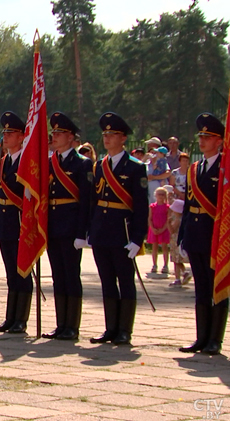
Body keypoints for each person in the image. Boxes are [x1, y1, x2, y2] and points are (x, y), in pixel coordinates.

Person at [89, 112, 149, 346]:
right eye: (105, 134)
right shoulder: (100, 166)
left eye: (112, 134)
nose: (107, 138)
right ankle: (110, 327)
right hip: (102, 231)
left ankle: (125, 329)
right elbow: (94, 202)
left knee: (125, 281)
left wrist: (137, 238)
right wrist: (89, 231)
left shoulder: (135, 168)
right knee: (106, 281)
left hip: (123, 232)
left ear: (123, 138)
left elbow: (141, 207)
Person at [178, 112, 227, 355]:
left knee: (216, 286)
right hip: (196, 234)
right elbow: (188, 204)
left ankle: (214, 340)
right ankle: (201, 337)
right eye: (201, 135)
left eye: (208, 136)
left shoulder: (225, 168)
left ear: (220, 141)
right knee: (200, 289)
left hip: (216, 236)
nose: (202, 140)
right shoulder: (195, 168)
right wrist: (182, 237)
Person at [43, 112, 92, 341]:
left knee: (71, 276)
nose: (55, 136)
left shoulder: (82, 164)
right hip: (53, 225)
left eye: (59, 133)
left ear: (71, 137)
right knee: (57, 276)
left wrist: (82, 232)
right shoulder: (50, 162)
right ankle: (61, 323)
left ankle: (72, 325)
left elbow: (86, 201)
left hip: (71, 226)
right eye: (53, 132)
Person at [0, 111, 34, 334]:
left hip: (21, 224)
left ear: (22, 136)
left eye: (10, 133)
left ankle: (21, 319)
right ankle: (10, 317)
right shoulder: (3, 163)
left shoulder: (28, 163)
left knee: (22, 272)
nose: (5, 137)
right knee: (10, 273)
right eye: (4, 132)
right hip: (6, 223)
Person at [167, 199, 190, 287]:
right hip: (177, 240)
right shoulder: (181, 218)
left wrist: (168, 223)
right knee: (176, 260)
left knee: (176, 259)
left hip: (175, 240)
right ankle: (181, 275)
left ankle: (180, 276)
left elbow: (172, 230)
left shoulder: (178, 219)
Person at [148, 187, 171, 274]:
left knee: (164, 247)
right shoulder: (152, 206)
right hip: (154, 228)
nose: (161, 196)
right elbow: (149, 218)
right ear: (155, 195)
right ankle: (154, 265)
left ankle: (165, 265)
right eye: (159, 194)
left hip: (164, 229)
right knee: (154, 247)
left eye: (163, 194)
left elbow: (168, 219)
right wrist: (153, 228)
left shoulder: (167, 207)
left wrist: (163, 229)